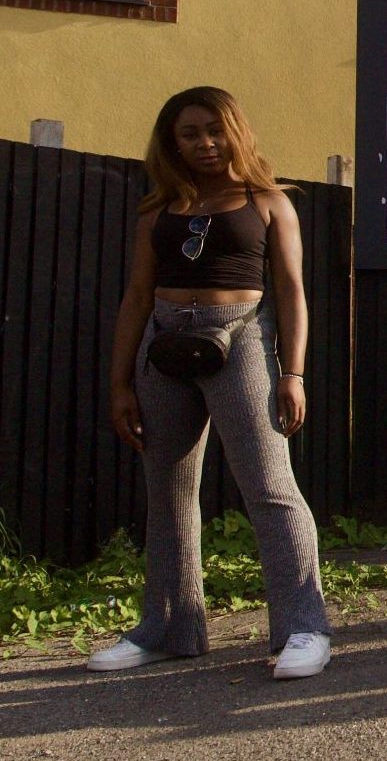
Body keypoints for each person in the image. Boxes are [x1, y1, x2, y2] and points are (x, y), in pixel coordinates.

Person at [90, 86, 331, 679]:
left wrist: (293, 373)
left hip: (241, 337)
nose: (204, 143)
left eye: (214, 130)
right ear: (171, 143)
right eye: (189, 134)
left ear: (236, 131)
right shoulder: (158, 208)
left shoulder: (270, 202)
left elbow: (293, 292)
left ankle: (304, 627)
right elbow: (137, 296)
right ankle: (168, 628)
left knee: (270, 486)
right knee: (168, 487)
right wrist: (120, 382)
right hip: (165, 343)